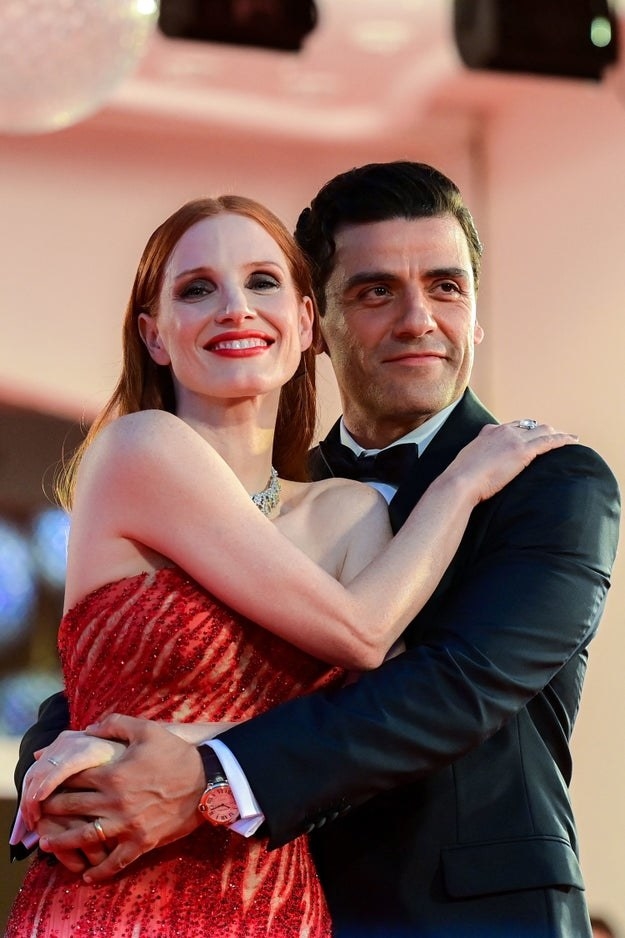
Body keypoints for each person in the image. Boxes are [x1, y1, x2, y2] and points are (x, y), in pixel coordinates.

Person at [11, 162, 619, 937]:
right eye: (374, 292)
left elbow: (451, 685)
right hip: (271, 891)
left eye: (445, 287)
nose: (416, 320)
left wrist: (205, 770)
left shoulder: (547, 478)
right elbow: (120, 665)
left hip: (467, 916)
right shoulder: (269, 490)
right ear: (319, 322)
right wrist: (61, 763)